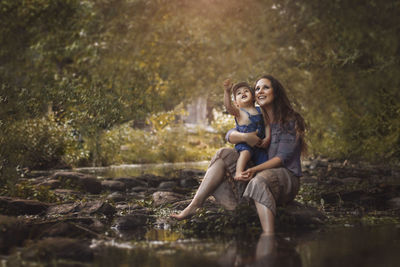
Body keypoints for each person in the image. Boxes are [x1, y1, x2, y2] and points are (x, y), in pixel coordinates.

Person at [171, 75, 306, 235]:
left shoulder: (290, 120)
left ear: (275, 92)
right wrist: (244, 137)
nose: (260, 91)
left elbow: (280, 159)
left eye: (265, 87)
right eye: (257, 88)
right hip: (259, 171)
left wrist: (254, 169)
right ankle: (196, 204)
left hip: (285, 178)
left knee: (258, 182)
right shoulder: (256, 116)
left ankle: (268, 237)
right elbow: (230, 135)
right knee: (223, 153)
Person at [223, 79, 270, 180]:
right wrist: (227, 92)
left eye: (246, 91)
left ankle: (260, 178)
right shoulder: (239, 112)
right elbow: (228, 107)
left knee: (265, 161)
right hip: (245, 144)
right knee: (245, 153)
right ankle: (238, 173)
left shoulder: (260, 110)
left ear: (253, 96)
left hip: (259, 145)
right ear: (236, 103)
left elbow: (267, 125)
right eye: (239, 93)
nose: (243, 93)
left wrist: (268, 138)